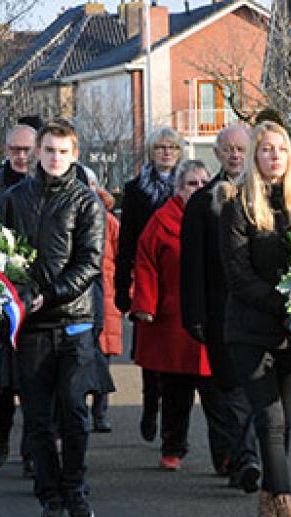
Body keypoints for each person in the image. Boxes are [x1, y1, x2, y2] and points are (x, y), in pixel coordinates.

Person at [0, 119, 105, 517]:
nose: (55, 158)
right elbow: (3, 255)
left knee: (76, 412)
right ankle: (50, 497)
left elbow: (90, 262)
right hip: (31, 325)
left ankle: (76, 488)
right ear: (37, 153)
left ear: (74, 155)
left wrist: (54, 293)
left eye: (63, 152)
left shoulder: (86, 202)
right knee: (39, 417)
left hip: (74, 320)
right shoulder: (14, 198)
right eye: (49, 151)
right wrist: (24, 295)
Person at [219, 121, 291, 517]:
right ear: (254, 157)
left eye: (281, 149)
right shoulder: (235, 205)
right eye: (266, 150)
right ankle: (288, 511)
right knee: (270, 419)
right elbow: (238, 275)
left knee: (283, 425)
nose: (274, 156)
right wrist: (284, 301)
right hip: (249, 330)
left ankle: (265, 516)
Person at [131, 159, 232, 472]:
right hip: (172, 322)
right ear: (178, 188)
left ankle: (226, 455)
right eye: (192, 183)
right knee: (175, 394)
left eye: (204, 183)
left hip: (210, 318)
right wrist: (145, 305)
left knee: (218, 397)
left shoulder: (219, 216)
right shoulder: (161, 221)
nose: (199, 189)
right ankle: (173, 446)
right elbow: (145, 263)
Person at [179, 124, 260, 488]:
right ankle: (239, 455)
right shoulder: (202, 202)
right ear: (217, 153)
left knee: (253, 387)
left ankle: (247, 457)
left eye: (242, 148)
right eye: (229, 149)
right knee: (228, 387)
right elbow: (192, 263)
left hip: (258, 307)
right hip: (218, 309)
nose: (236, 155)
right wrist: (193, 313)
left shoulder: (264, 196)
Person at [115, 126, 185, 444]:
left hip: (179, 277)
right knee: (149, 347)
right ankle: (149, 406)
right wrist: (121, 283)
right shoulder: (135, 189)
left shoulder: (191, 187)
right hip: (147, 275)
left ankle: (169, 410)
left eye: (172, 147)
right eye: (160, 148)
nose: (166, 152)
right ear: (151, 152)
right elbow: (127, 238)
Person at [0, 124, 37, 472]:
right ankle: (1, 431)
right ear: (6, 150)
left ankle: (32, 449)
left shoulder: (47, 188)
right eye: (15, 149)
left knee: (35, 378)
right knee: (0, 380)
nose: (22, 156)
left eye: (27, 149)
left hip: (36, 296)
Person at [82, 166, 120, 434]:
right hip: (82, 295)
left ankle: (101, 411)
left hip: (107, 295)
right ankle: (79, 411)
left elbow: (122, 258)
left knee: (103, 357)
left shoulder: (110, 222)